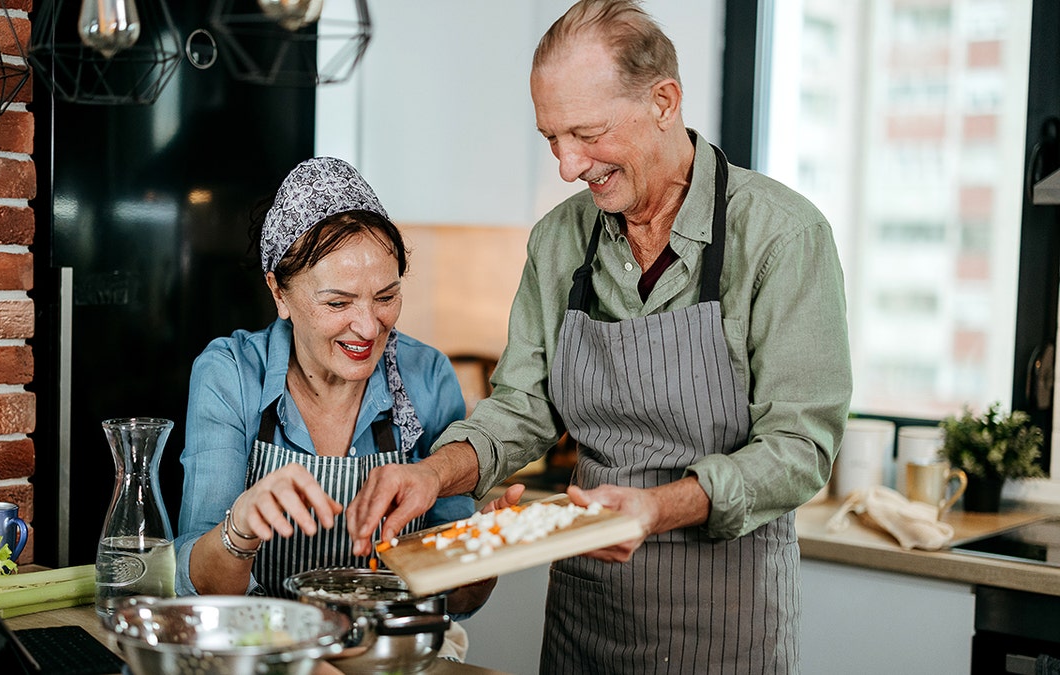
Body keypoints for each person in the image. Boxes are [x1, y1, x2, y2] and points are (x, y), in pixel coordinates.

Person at [347, 1, 852, 672]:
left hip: (724, 626)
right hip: (586, 623)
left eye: (585, 132)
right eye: (551, 137)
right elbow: (522, 407)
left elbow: (799, 448)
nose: (566, 165)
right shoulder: (559, 241)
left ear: (664, 101)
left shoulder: (782, 238)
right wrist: (430, 472)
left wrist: (654, 507)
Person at [172, 157, 500, 640]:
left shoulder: (426, 375)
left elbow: (456, 600)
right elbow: (197, 588)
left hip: (388, 655)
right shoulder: (231, 374)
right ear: (279, 292)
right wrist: (239, 527)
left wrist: (484, 554)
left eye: (386, 297)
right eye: (338, 303)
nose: (369, 328)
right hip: (267, 652)